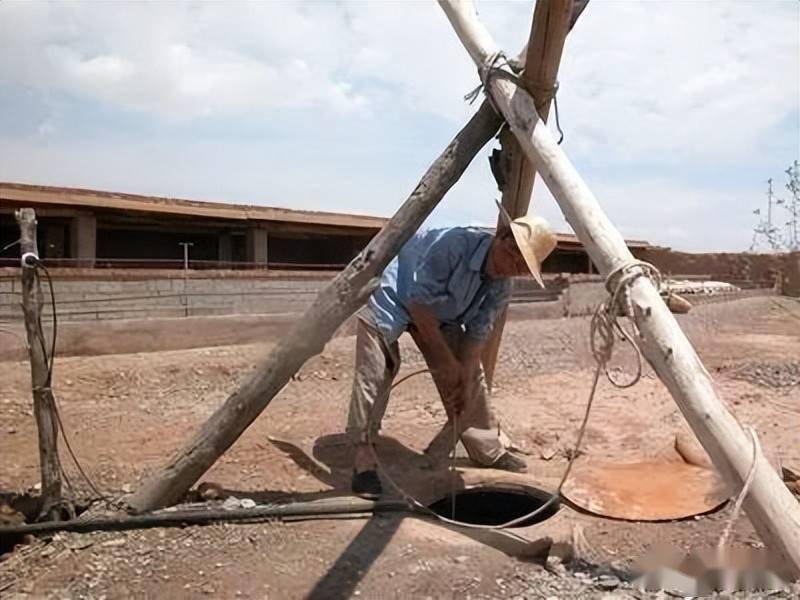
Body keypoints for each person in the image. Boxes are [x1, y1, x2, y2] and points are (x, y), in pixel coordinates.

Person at [346, 201, 557, 498]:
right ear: (501, 236)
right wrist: (446, 363)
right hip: (397, 293)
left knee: (471, 379)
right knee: (377, 370)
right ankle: (363, 456)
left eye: (521, 265)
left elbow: (477, 335)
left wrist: (462, 374)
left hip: (441, 312)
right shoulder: (456, 244)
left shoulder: (501, 285)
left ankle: (487, 448)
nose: (510, 264)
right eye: (511, 252)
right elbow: (420, 307)